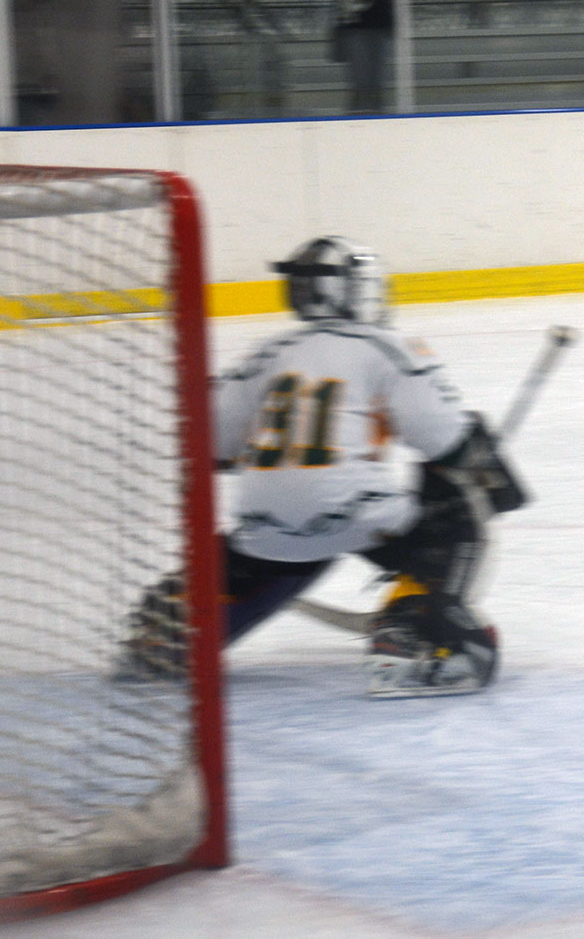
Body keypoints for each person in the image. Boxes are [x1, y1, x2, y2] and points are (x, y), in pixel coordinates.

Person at [120, 236, 527, 697]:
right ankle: (416, 633)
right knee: (453, 509)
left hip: (264, 527)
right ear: (360, 291)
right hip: (358, 514)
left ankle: (177, 625)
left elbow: (212, 445)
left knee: (277, 545)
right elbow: (445, 439)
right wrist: (493, 483)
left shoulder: (265, 354)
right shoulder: (385, 347)